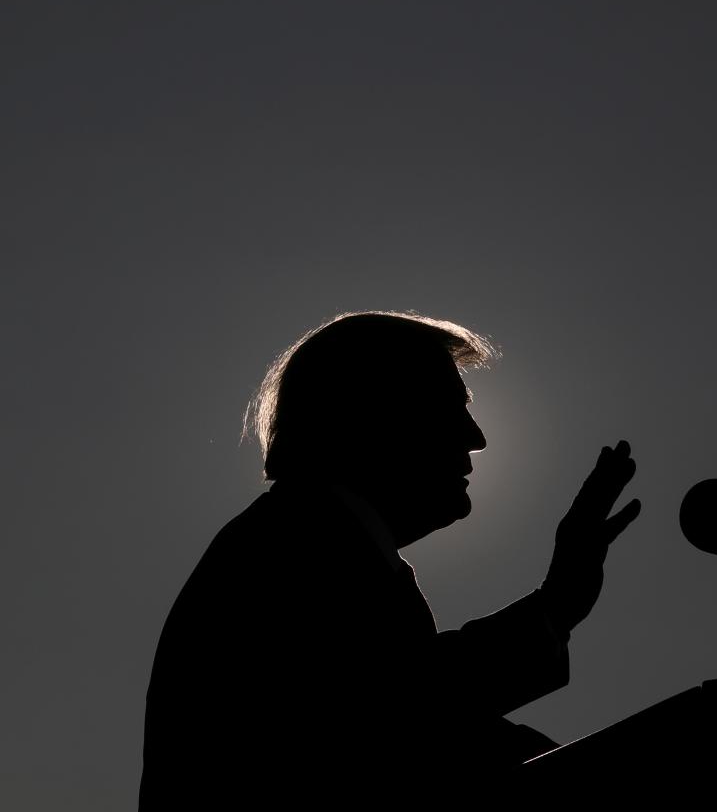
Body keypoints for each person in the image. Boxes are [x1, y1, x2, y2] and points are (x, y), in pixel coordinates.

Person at [138, 311, 641, 809]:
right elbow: (399, 714)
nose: (477, 438)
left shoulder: (311, 540)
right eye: (451, 408)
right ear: (378, 419)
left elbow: (407, 726)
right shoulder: (298, 549)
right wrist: (554, 607)